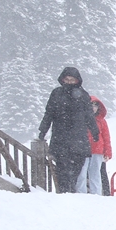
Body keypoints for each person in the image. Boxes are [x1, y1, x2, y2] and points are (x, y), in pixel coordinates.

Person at [37, 66, 100, 194]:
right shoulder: (56, 93)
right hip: (61, 139)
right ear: (62, 79)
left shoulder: (83, 95)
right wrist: (43, 130)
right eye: (67, 79)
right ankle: (65, 193)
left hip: (78, 140)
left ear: (77, 80)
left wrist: (95, 131)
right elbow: (49, 114)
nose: (70, 82)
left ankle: (69, 192)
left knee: (76, 171)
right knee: (62, 170)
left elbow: (89, 116)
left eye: (72, 80)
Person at [78, 96, 112, 195]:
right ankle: (80, 193)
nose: (93, 108)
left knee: (95, 173)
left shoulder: (102, 121)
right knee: (81, 173)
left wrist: (107, 152)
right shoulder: (81, 119)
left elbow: (106, 137)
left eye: (95, 106)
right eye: (91, 105)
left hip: (97, 150)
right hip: (83, 150)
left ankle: (96, 194)